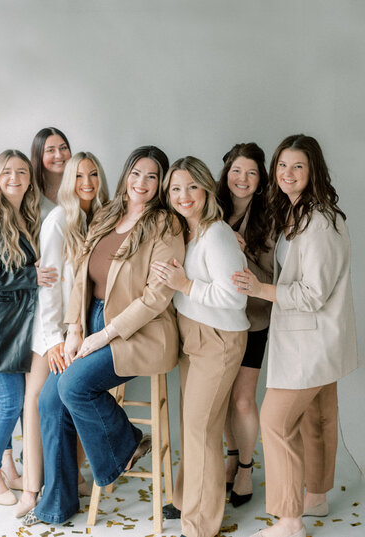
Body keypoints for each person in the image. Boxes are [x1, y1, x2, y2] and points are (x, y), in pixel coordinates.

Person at [22, 145, 185, 526]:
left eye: (152, 176)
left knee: (73, 386)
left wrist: (105, 334)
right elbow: (80, 273)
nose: (141, 183)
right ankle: (57, 504)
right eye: (136, 173)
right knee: (49, 400)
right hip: (92, 322)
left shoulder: (166, 225)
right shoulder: (109, 212)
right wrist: (77, 328)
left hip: (140, 332)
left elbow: (156, 298)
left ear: (160, 184)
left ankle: (125, 444)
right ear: (126, 174)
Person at [231, 134, 357, 537]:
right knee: (317, 418)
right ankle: (316, 498)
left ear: (313, 170)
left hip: (313, 340)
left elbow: (312, 293)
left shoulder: (318, 221)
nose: (287, 173)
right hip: (319, 340)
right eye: (282, 166)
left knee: (276, 421)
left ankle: (288, 521)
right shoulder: (298, 213)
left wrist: (259, 290)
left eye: (297, 166)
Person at [151, 156, 249, 537]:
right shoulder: (184, 231)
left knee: (201, 429)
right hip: (191, 336)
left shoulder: (218, 234)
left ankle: (200, 525)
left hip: (218, 339)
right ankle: (183, 499)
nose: (183, 195)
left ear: (207, 189)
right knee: (191, 424)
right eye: (175, 188)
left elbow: (235, 298)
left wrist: (184, 284)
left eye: (192, 186)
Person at [16, 152, 109, 517]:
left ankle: (66, 478)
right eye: (79, 176)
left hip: (80, 328)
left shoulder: (98, 218)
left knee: (63, 403)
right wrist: (54, 338)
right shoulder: (58, 220)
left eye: (93, 175)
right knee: (40, 403)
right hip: (52, 329)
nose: (86, 182)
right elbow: (49, 287)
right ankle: (30, 490)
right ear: (68, 180)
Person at [0, 150, 56, 506]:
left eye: (21, 171)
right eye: (7, 172)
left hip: (10, 324)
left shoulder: (24, 213)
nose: (15, 178)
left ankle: (7, 467)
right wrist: (28, 276)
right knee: (11, 401)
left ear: (30, 177)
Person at [217, 143, 274, 506]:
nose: (243, 179)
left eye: (251, 173)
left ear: (260, 180)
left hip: (253, 319)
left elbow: (270, 278)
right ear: (226, 173)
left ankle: (247, 469)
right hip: (217, 318)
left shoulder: (268, 218)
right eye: (237, 171)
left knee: (241, 399)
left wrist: (242, 253)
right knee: (221, 398)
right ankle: (232, 458)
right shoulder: (211, 209)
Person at [30, 127, 71, 220]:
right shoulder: (29, 192)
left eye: (63, 148)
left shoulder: (80, 187)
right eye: (50, 150)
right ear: (38, 155)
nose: (59, 155)